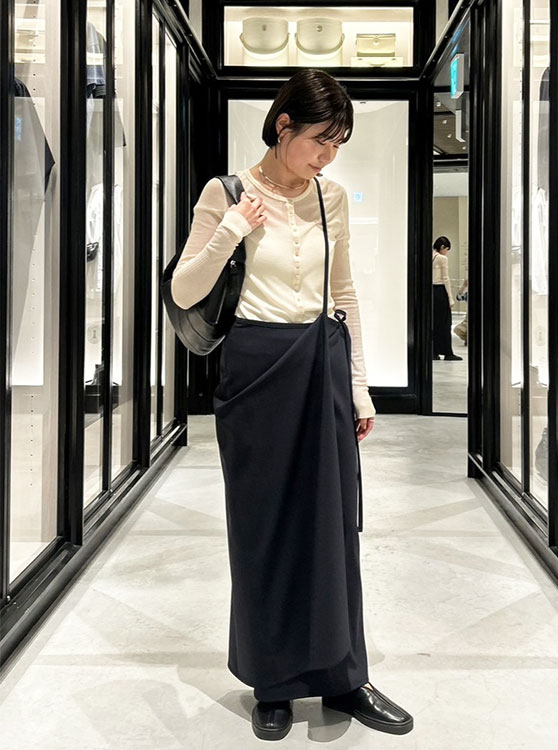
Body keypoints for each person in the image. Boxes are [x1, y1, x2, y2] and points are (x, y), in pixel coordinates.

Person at [171, 69, 414, 741]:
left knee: (333, 527)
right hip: (256, 367)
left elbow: (345, 291)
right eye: (319, 140)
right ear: (283, 126)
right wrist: (231, 229)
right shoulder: (227, 192)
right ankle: (273, 682)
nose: (327, 156)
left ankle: (345, 676)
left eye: (337, 144)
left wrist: (359, 385)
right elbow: (185, 290)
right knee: (263, 528)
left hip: (322, 361)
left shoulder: (330, 197)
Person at [432, 236, 462, 361]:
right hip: (440, 291)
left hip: (432, 292)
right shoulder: (442, 258)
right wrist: (450, 298)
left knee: (435, 322)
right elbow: (445, 278)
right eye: (447, 249)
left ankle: (434, 351)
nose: (446, 252)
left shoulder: (431, 256)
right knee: (445, 323)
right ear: (442, 247)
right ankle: (447, 352)